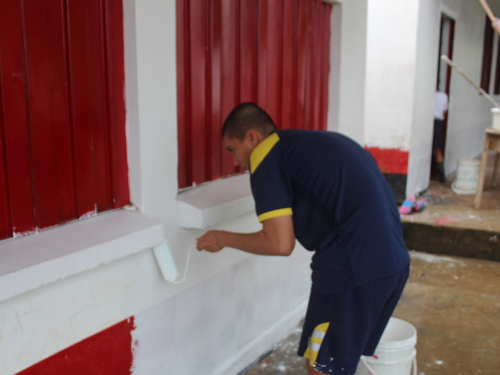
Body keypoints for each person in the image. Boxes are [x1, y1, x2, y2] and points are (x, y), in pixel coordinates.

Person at [196, 102, 410, 375]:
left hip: (351, 270)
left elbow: (279, 243)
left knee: (323, 365)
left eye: (233, 149)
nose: (236, 161)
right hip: (394, 263)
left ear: (252, 137)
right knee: (337, 359)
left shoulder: (266, 156)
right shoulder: (316, 142)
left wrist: (222, 238)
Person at [433, 87, 449, 182]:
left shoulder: (429, 95)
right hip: (438, 122)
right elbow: (444, 111)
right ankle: (442, 177)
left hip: (427, 121)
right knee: (437, 150)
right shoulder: (443, 96)